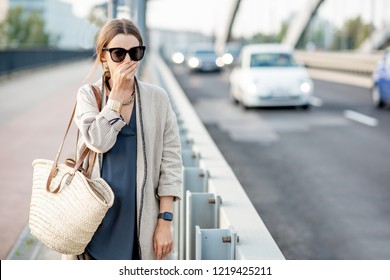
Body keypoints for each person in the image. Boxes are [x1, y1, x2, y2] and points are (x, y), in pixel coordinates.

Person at [63, 18, 182, 260]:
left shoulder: (157, 99)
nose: (128, 61)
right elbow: (98, 141)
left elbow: (170, 162)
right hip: (95, 218)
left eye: (135, 52)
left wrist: (165, 221)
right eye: (119, 53)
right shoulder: (89, 95)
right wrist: (115, 98)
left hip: (142, 220)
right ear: (103, 56)